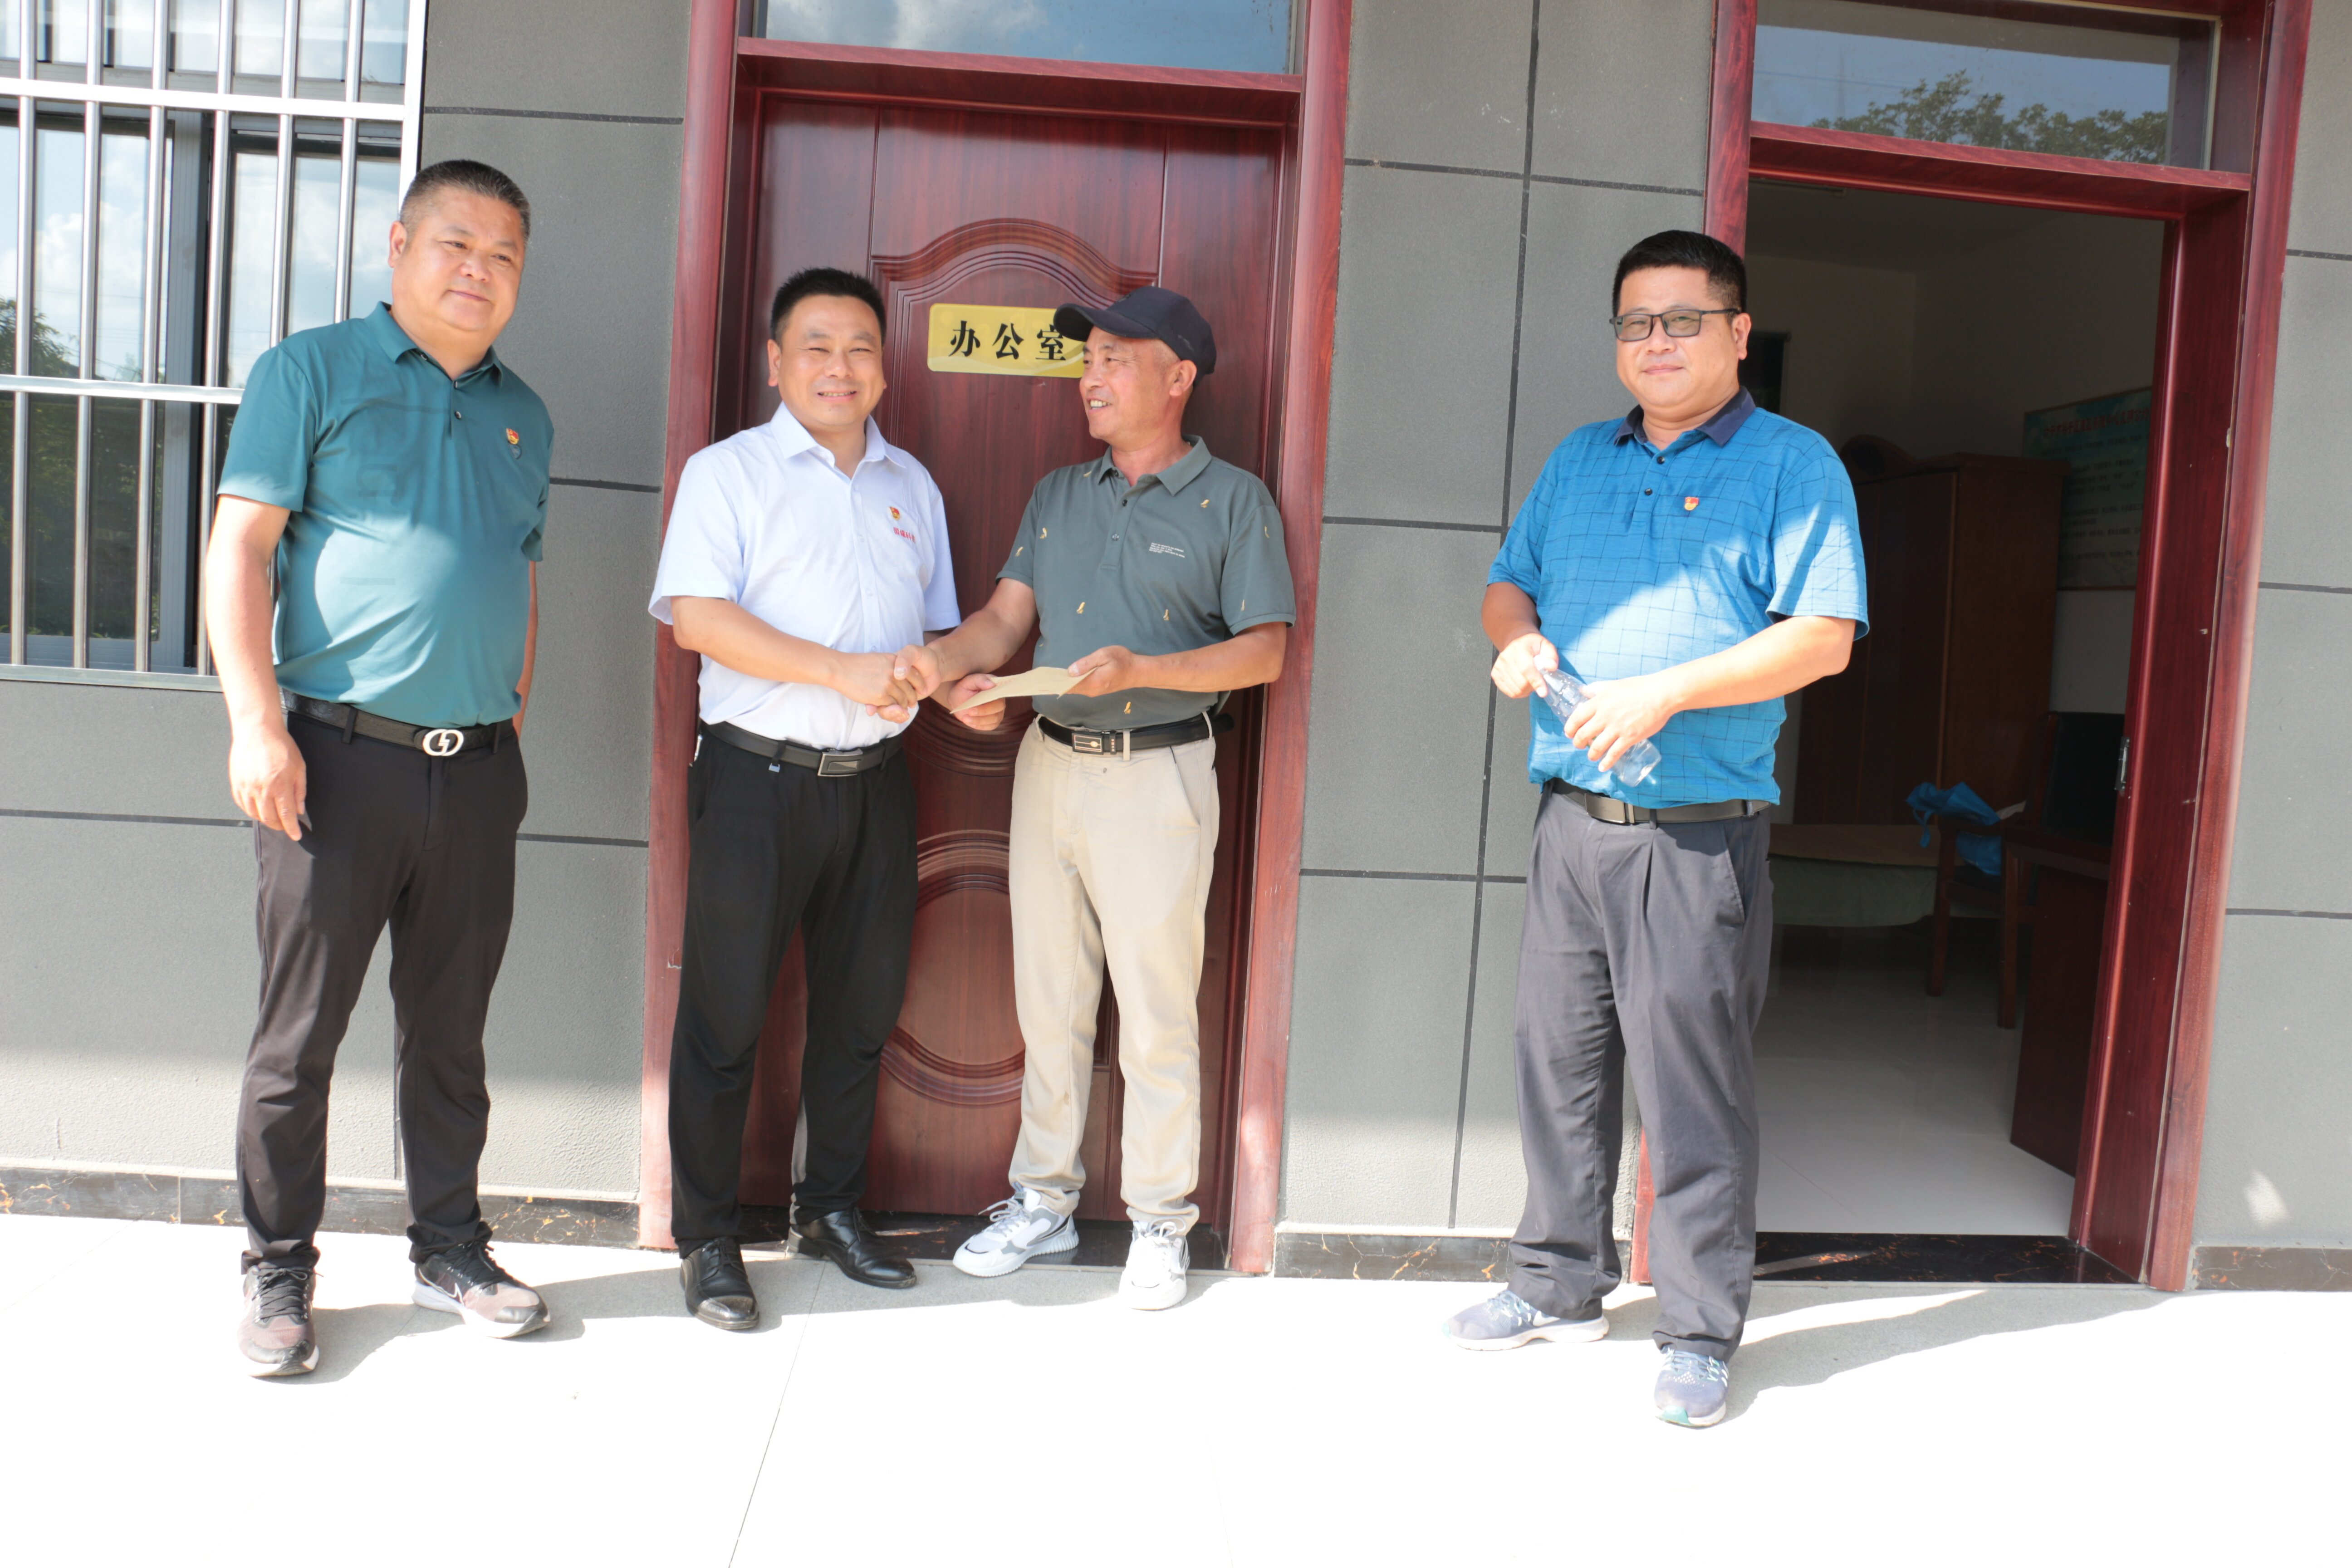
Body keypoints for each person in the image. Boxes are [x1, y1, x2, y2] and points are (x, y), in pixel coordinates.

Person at [1449, 230, 1867, 1426]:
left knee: (1692, 1093)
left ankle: (1696, 1330)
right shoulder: (1582, 457)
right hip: (1571, 822)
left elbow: (1822, 638)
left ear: (1738, 333)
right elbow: (1508, 583)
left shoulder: (1793, 463)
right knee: (1559, 1064)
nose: (1658, 342)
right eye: (1637, 322)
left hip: (1695, 838)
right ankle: (1557, 1282)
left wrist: (1665, 694)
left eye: (1684, 319)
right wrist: (1517, 640)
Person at [209, 161, 553, 1376]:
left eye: (504, 255)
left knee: (452, 1034)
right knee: (299, 1036)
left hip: (479, 773)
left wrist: (512, 714)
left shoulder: (525, 414)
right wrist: (258, 725)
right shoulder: (310, 372)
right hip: (335, 764)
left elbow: (518, 574)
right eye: (457, 243)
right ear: (399, 246)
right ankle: (277, 1268)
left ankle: (451, 1246)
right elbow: (241, 550)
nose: (479, 270)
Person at [899, 284, 1294, 1311]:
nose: (1092, 377)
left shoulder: (1234, 500)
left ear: (1179, 378)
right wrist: (946, 667)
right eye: (1088, 360)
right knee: (1051, 999)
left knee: (1157, 1009)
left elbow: (1264, 652)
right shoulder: (1058, 493)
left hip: (1158, 771)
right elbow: (1004, 621)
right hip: (1049, 763)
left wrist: (1145, 669)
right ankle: (1045, 1199)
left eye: (1116, 359)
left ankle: (1161, 1218)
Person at [649, 267, 959, 1328]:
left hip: (875, 787)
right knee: (725, 1019)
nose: (841, 366)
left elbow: (934, 633)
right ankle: (707, 1240)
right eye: (817, 346)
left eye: (861, 347)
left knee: (859, 1016)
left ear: (885, 368)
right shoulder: (729, 474)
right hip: (755, 782)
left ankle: (828, 1209)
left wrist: (947, 683)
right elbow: (698, 620)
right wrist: (840, 671)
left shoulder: (911, 487)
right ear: (776, 364)